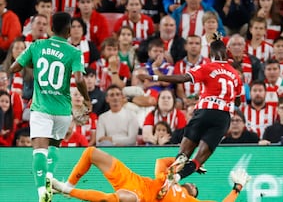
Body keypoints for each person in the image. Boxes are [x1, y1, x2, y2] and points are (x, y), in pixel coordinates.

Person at [138, 34, 242, 189]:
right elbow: (238, 101)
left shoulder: (207, 67)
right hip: (223, 116)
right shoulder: (235, 75)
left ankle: (178, 164)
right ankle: (179, 177)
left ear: (210, 55)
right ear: (226, 55)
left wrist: (154, 75)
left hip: (204, 110)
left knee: (184, 153)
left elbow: (182, 78)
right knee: (199, 160)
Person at [9, 12, 91, 202]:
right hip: (63, 111)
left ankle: (42, 193)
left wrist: (35, 62)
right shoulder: (74, 52)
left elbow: (14, 67)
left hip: (41, 108)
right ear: (69, 30)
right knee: (54, 146)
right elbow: (79, 79)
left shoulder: (37, 45)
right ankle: (49, 180)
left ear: (50, 28)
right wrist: (86, 99)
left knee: (39, 150)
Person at [51, 146, 251, 202]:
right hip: (134, 181)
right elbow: (160, 162)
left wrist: (237, 188)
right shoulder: (168, 178)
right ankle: (67, 185)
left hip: (142, 199)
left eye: (195, 190)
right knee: (92, 153)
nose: (193, 187)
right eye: (193, 185)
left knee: (121, 199)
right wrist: (187, 164)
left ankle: (66, 192)